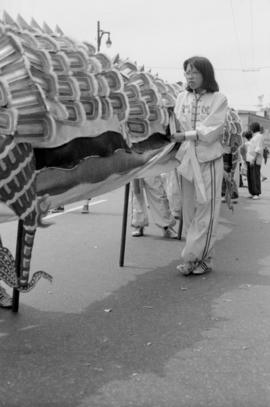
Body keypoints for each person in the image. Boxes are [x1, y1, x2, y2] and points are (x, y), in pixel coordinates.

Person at [172, 56, 228, 275]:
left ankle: (198, 259)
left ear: (206, 74)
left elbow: (212, 130)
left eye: (194, 72)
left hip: (208, 161)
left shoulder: (219, 99)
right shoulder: (181, 97)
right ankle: (196, 255)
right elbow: (174, 123)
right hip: (186, 160)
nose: (190, 76)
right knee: (189, 210)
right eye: (187, 72)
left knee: (207, 210)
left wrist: (185, 134)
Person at [246, 122, 264, 200]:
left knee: (255, 177)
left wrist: (254, 159)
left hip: (255, 160)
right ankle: (252, 192)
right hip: (250, 159)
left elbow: (258, 149)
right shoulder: (255, 136)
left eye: (250, 127)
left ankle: (256, 193)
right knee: (250, 177)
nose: (250, 129)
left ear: (254, 128)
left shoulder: (259, 136)